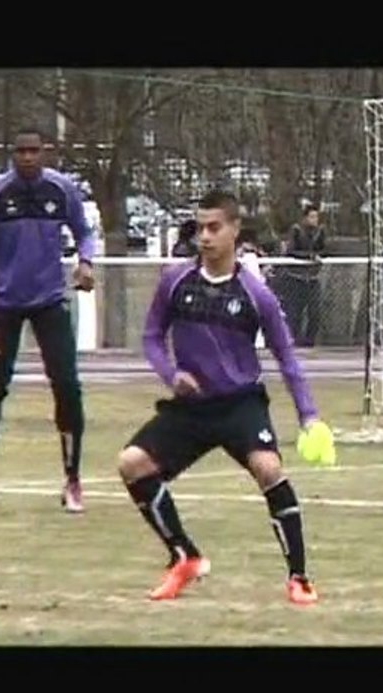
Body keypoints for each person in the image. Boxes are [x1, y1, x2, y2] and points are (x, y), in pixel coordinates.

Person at [116, 189, 335, 604]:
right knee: (131, 463)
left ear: (235, 230)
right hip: (192, 407)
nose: (205, 236)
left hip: (240, 404)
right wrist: (171, 374)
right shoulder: (175, 280)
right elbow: (150, 337)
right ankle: (184, 557)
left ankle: (299, 577)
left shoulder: (257, 294)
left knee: (269, 469)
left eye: (214, 227)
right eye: (199, 227)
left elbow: (286, 356)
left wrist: (308, 414)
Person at [0, 128, 95, 514]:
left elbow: (84, 231)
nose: (27, 157)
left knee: (68, 387)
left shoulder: (61, 190)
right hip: (4, 304)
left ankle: (73, 480)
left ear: (46, 152)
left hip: (49, 301)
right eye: (20, 150)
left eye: (34, 151)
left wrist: (85, 261)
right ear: (12, 153)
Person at [281, 204, 326, 347]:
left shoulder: (320, 232)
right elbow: (291, 251)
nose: (315, 220)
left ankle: (309, 342)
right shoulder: (296, 230)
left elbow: (325, 249)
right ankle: (294, 342)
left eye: (316, 217)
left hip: (312, 278)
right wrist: (309, 256)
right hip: (296, 277)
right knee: (295, 313)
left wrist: (318, 256)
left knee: (315, 313)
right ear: (305, 218)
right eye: (312, 217)